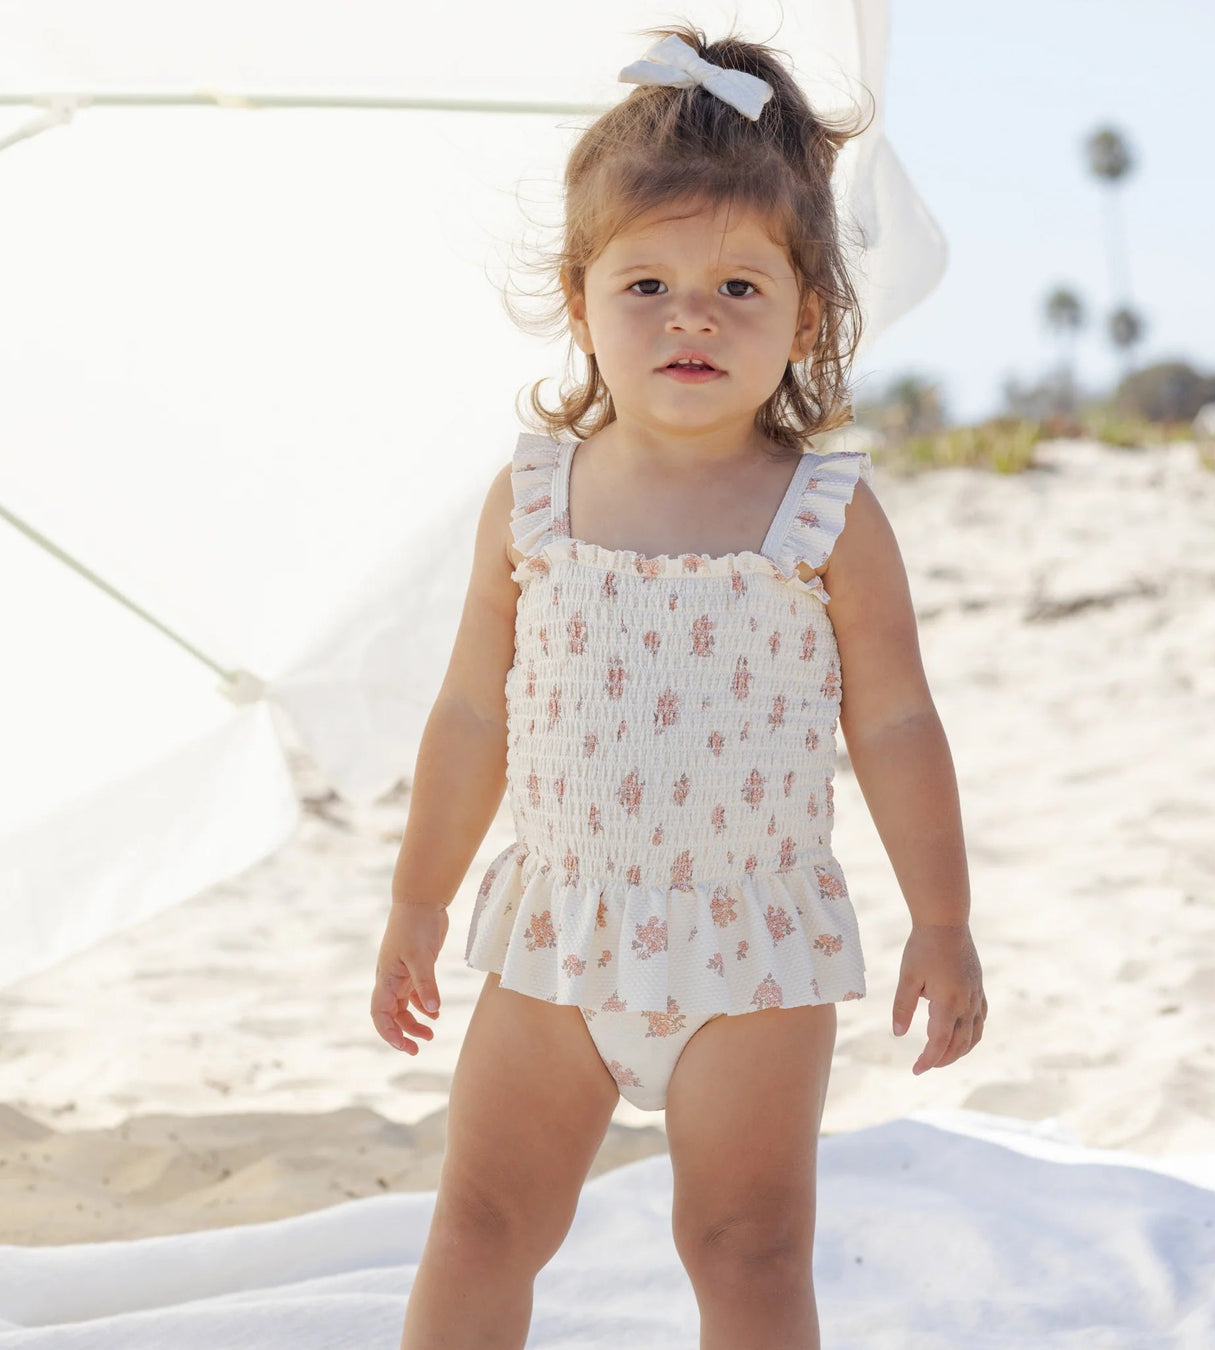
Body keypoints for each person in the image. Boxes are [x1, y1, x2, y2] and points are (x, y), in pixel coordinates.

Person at [373, 24, 986, 1350]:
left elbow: (892, 721)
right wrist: (419, 896)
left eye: (737, 288)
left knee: (747, 1247)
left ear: (805, 315)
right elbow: (473, 712)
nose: (689, 317)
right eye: (644, 284)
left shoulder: (823, 508)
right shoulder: (534, 498)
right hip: (557, 935)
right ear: (578, 293)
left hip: (749, 950)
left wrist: (941, 919)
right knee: (481, 1222)